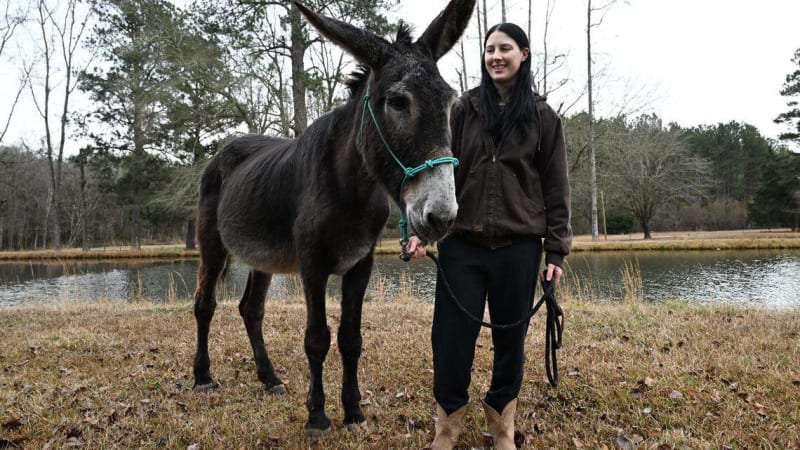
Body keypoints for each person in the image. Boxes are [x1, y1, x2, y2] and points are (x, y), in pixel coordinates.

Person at [407, 22, 572, 450]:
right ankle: (447, 429)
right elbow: (435, 171)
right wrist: (419, 230)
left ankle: (502, 430)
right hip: (461, 244)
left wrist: (556, 249)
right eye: (489, 49)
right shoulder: (462, 111)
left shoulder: (543, 116)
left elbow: (556, 189)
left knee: (510, 345)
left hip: (519, 247)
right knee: (450, 341)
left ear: (524, 54)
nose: (496, 56)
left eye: (505, 49)